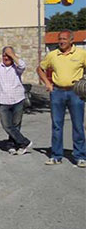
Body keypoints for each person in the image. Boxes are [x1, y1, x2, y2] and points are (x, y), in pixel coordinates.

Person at [36, 29, 86, 167]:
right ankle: (56, 155)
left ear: (71, 40)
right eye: (59, 39)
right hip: (57, 92)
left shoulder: (82, 54)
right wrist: (47, 83)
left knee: (78, 125)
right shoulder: (52, 55)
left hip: (75, 92)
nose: (61, 41)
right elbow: (40, 68)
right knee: (57, 125)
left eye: (64, 39)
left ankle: (80, 156)